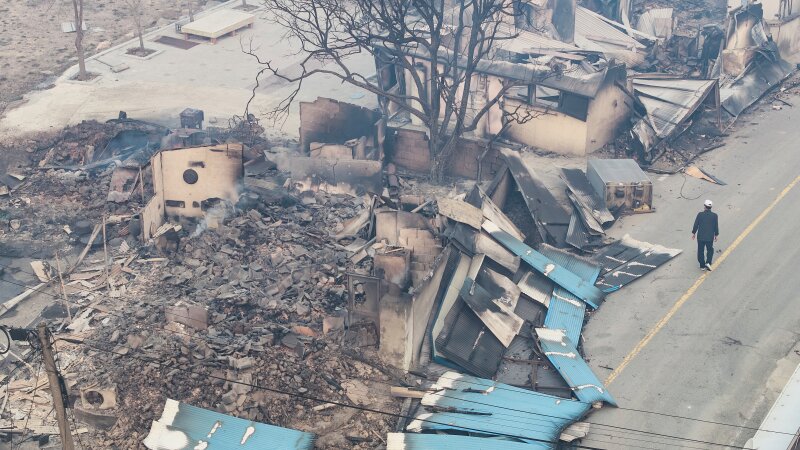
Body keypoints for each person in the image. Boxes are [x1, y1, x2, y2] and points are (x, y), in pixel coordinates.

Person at [692, 199, 719, 271]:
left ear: (704, 206)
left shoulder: (700, 214)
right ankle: (708, 262)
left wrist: (693, 233)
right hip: (709, 237)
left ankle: (702, 266)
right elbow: (716, 226)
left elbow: (696, 224)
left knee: (700, 251)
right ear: (711, 207)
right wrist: (716, 235)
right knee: (710, 250)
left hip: (700, 237)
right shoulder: (715, 216)